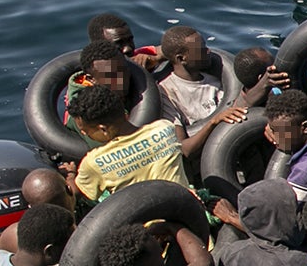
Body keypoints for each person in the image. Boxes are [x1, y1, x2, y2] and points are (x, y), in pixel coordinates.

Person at [69, 84, 237, 201]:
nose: (83, 133)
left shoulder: (94, 162)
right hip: (190, 215)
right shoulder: (164, 129)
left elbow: (76, 194)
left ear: (103, 129)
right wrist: (212, 122)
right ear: (125, 114)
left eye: (85, 130)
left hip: (147, 235)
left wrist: (70, 174)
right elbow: (185, 150)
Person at [156, 26, 227, 133]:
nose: (208, 51)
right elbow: (183, 147)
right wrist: (213, 123)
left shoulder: (214, 82)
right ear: (181, 58)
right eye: (201, 50)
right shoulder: (166, 91)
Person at [87, 12, 159, 69]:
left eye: (130, 40)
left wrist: (154, 59)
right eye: (118, 43)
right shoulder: (91, 76)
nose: (128, 49)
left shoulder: (140, 56)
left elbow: (165, 49)